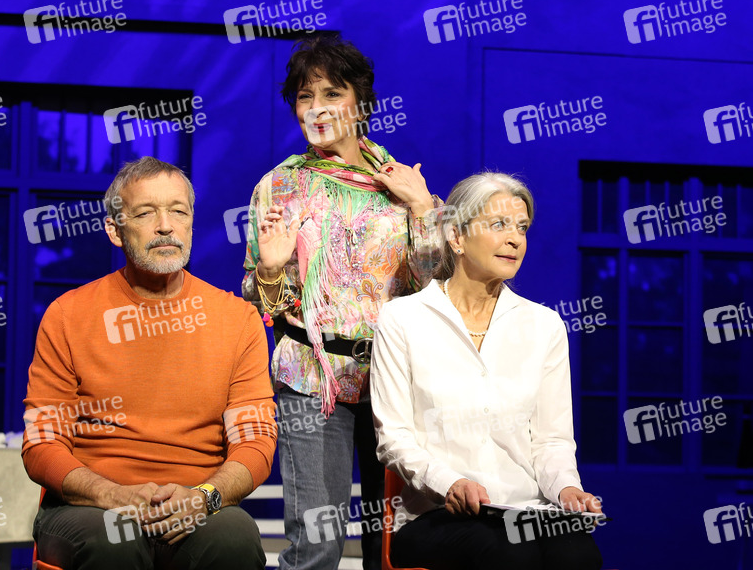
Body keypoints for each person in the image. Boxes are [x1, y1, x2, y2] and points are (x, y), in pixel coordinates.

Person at [242, 35, 442, 570]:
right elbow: (262, 300)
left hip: (395, 381)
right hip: (312, 376)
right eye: (305, 97)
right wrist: (269, 269)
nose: (318, 108)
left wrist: (424, 209)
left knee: (394, 546)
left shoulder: (402, 184)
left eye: (333, 93)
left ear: (361, 103)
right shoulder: (279, 187)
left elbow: (438, 288)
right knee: (318, 544)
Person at [23, 157, 277, 570]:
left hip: (196, 503)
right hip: (91, 507)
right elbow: (41, 444)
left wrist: (205, 496)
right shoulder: (67, 315)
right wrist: (111, 495)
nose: (165, 226)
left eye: (178, 211)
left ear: (191, 223)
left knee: (234, 538)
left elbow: (256, 441)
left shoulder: (238, 319)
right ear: (115, 230)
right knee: (114, 541)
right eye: (145, 213)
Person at [371, 172, 604, 570]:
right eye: (499, 225)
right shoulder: (403, 319)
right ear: (456, 237)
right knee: (509, 553)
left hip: (527, 508)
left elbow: (551, 440)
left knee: (579, 554)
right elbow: (394, 438)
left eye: (522, 228)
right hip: (437, 514)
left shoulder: (543, 325)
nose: (515, 239)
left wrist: (567, 488)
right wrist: (449, 483)